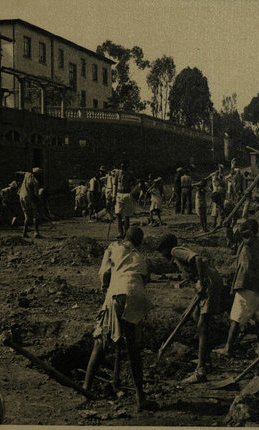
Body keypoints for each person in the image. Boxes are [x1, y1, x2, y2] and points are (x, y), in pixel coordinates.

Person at [83, 227, 155, 411]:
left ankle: (85, 390)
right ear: (139, 242)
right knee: (132, 347)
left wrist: (104, 287)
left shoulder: (113, 246)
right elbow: (145, 278)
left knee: (100, 340)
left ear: (125, 237)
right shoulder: (139, 256)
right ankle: (140, 397)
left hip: (117, 292)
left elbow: (104, 272)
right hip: (137, 294)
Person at [157, 234, 227, 383]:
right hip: (207, 282)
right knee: (195, 315)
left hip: (209, 282)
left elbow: (197, 259)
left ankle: (200, 371)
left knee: (202, 325)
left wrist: (201, 282)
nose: (162, 256)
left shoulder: (175, 250)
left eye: (161, 251)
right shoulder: (176, 257)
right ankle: (206, 359)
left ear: (166, 248)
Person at [222, 218, 259, 356]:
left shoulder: (250, 246)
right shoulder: (252, 244)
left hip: (247, 286)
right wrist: (228, 229)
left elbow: (247, 268)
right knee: (258, 318)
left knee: (236, 317)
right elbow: (236, 239)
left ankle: (228, 348)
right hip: (256, 287)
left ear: (251, 232)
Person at [114, 160, 138, 239]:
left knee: (127, 215)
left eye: (124, 166)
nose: (123, 168)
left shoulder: (130, 174)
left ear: (127, 167)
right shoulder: (117, 173)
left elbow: (136, 184)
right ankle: (120, 232)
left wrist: (132, 192)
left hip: (127, 194)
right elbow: (115, 184)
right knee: (118, 213)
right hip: (119, 194)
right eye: (122, 166)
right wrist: (113, 195)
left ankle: (127, 233)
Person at [19, 167, 43, 238]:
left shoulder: (27, 174)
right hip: (29, 198)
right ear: (37, 174)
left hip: (21, 196)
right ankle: (36, 233)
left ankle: (24, 233)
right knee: (35, 215)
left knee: (27, 216)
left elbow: (19, 172)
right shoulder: (35, 181)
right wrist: (40, 201)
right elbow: (36, 194)